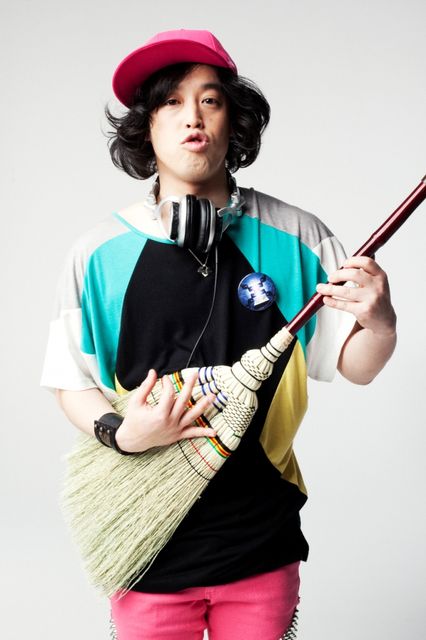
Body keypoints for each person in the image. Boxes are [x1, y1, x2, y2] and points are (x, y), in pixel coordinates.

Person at [41, 29, 397, 640]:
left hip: (261, 537)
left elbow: (356, 364)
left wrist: (381, 322)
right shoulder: (97, 254)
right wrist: (122, 433)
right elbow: (70, 380)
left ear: (236, 122)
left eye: (210, 100)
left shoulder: (298, 236)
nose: (192, 118)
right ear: (147, 129)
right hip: (144, 540)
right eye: (171, 103)